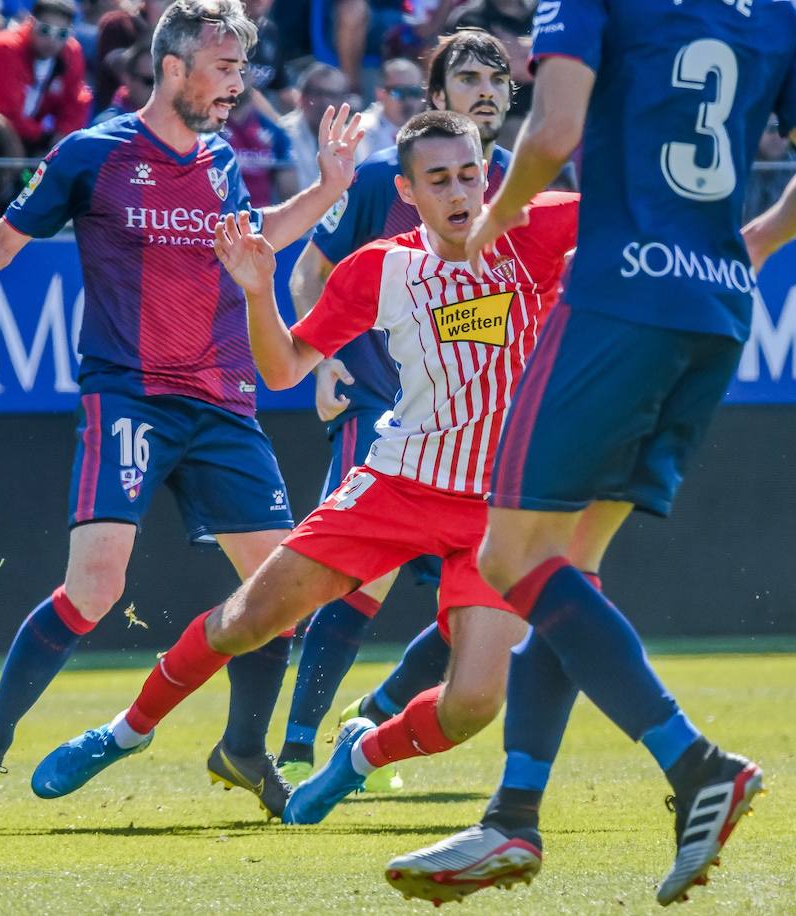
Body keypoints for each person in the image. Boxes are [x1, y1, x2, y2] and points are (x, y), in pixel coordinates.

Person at [383, 0, 796, 905]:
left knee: (508, 557)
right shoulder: (786, 12)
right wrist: (748, 243)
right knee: (571, 570)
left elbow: (555, 130)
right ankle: (512, 818)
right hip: (716, 311)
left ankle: (694, 763)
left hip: (618, 296)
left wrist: (491, 225)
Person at [32, 110, 578, 831]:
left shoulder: (536, 232)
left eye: (470, 174)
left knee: (475, 705)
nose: (459, 191)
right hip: (399, 485)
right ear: (408, 191)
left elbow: (641, 209)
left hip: (497, 510)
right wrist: (258, 292)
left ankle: (358, 757)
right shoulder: (383, 268)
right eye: (438, 178)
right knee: (247, 622)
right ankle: (126, 731)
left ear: (489, 175)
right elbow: (285, 367)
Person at [0, 0, 364, 830]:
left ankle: (245, 749)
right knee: (95, 590)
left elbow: (256, 240)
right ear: (173, 67)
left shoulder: (218, 158)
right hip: (130, 392)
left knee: (282, 593)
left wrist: (328, 188)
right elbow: (1, 243)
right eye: (225, 68)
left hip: (223, 400)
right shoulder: (90, 153)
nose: (238, 85)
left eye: (242, 68)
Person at [275, 27, 515, 792]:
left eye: (495, 79)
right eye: (466, 78)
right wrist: (330, 360)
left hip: (484, 435)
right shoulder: (382, 178)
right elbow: (310, 272)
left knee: (484, 599)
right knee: (357, 579)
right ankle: (296, 748)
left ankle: (372, 715)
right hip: (386, 408)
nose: (483, 90)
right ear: (437, 98)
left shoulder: (526, 188)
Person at [0, 0, 92, 154]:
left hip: (25, 136)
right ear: (31, 23)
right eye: (45, 30)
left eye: (62, 34)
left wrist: (63, 136)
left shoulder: (71, 52)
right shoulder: (4, 49)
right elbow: (5, 115)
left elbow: (75, 100)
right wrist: (44, 137)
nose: (52, 41)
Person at [281, 64, 351, 187]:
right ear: (302, 97)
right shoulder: (283, 134)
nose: (325, 102)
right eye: (318, 93)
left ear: (343, 102)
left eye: (332, 95)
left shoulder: (349, 138)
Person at [356, 57, 425, 161]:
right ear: (380, 94)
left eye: (415, 92)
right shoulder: (363, 130)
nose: (409, 100)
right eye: (400, 92)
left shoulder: (428, 130)